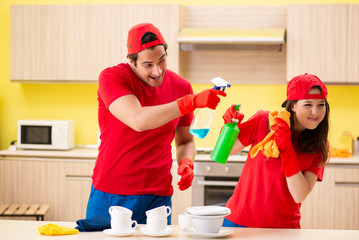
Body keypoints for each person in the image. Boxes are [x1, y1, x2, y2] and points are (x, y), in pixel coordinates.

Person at [86, 23, 226, 224]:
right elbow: (138, 119)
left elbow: (185, 141)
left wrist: (186, 162)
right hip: (111, 191)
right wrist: (191, 102)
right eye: (148, 65)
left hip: (157, 197)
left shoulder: (181, 86)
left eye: (162, 61)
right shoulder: (112, 78)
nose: (157, 71)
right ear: (132, 62)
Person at [221, 73, 330, 229]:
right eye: (308, 104)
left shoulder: (319, 144)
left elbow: (299, 194)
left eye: (321, 104)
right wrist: (229, 127)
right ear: (292, 105)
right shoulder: (264, 121)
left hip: (283, 229)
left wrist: (286, 148)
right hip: (238, 222)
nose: (316, 112)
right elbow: (223, 153)